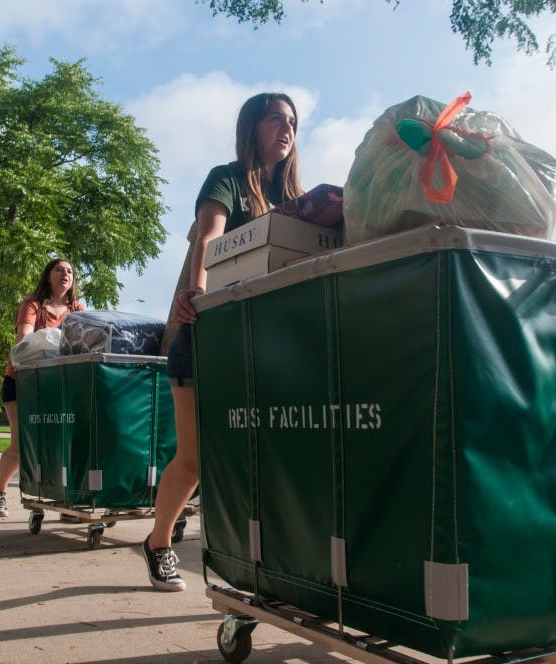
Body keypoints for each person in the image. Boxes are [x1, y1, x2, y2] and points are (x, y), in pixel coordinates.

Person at [143, 93, 305, 591]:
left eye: (293, 121)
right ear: (252, 126)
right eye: (276, 117)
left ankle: (265, 555)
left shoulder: (293, 200)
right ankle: (158, 541)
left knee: (266, 453)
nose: (287, 128)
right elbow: (209, 237)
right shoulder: (227, 178)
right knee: (193, 459)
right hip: (205, 334)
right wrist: (198, 292)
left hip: (263, 344)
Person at [0, 258, 85, 517]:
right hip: (23, 383)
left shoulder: (78, 309)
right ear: (48, 276)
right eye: (59, 270)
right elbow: (25, 343)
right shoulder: (32, 305)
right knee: (21, 444)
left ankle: (67, 501)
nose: (65, 274)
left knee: (63, 443)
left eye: (70, 271)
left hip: (58, 385)